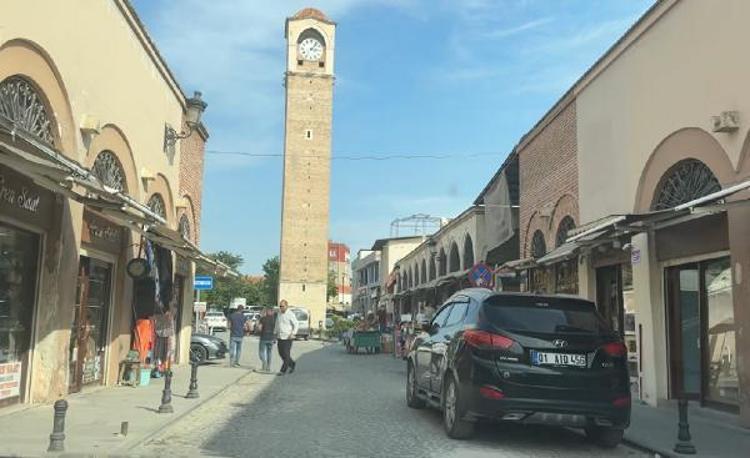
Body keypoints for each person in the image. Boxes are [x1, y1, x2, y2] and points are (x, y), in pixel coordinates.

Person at [274, 299, 298, 375]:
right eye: (280, 306)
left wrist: (293, 333)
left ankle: (282, 371)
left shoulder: (290, 314)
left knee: (286, 354)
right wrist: (275, 333)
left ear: (286, 306)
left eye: (282, 306)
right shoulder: (279, 313)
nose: (281, 307)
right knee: (281, 353)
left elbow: (296, 324)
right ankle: (292, 364)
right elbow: (277, 324)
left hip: (288, 337)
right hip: (280, 336)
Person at [257, 307, 277, 372]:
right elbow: (276, 330)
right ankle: (268, 367)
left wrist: (258, 330)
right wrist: (275, 338)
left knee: (261, 352)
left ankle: (264, 363)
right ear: (272, 312)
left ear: (267, 312)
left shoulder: (263, 319)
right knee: (269, 353)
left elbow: (259, 328)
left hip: (263, 337)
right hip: (271, 338)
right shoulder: (275, 320)